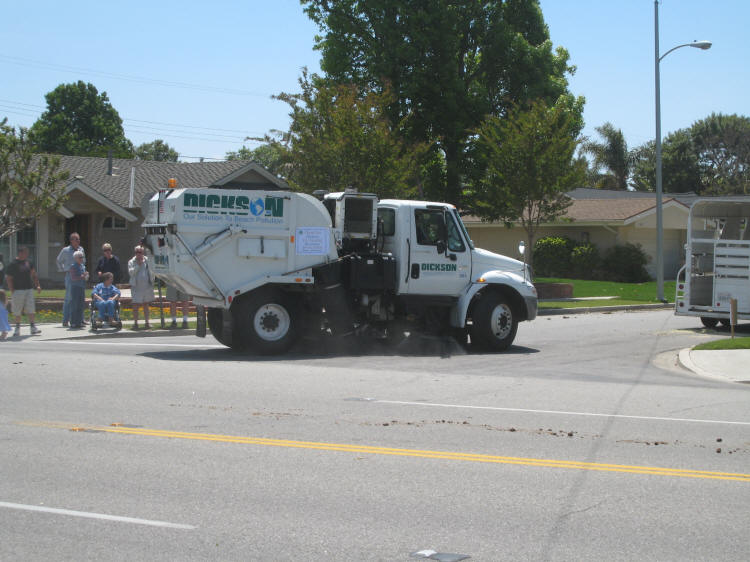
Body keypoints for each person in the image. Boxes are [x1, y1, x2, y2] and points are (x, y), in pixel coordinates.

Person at [5, 246, 42, 337]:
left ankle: (33, 328)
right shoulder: (13, 264)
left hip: (28, 289)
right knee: (17, 310)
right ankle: (17, 329)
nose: (27, 254)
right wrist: (12, 290)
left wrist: (37, 285)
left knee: (31, 308)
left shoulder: (29, 262)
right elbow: (9, 278)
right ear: (20, 253)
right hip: (18, 290)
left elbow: (34, 274)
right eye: (25, 252)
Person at [56, 232, 86, 327]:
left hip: (80, 276)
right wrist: (64, 269)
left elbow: (84, 261)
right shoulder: (66, 250)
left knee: (80, 298)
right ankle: (66, 320)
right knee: (69, 298)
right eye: (76, 239)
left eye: (79, 239)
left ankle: (80, 319)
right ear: (71, 240)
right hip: (70, 276)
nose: (78, 241)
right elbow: (58, 261)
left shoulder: (81, 249)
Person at [128, 245, 154, 329]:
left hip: (147, 287)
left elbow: (152, 270)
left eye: (140, 252)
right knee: (135, 305)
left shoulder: (147, 260)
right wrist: (138, 265)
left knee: (146, 305)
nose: (138, 254)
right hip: (136, 287)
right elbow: (131, 273)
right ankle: (135, 323)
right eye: (137, 252)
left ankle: (147, 323)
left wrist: (152, 280)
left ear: (143, 253)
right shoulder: (131, 262)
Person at [68, 250, 89, 328]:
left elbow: (84, 277)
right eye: (80, 257)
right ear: (75, 258)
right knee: (75, 305)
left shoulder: (82, 266)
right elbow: (73, 278)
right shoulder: (73, 266)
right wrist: (82, 276)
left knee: (81, 305)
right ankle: (73, 322)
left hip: (81, 287)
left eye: (82, 257)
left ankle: (79, 322)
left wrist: (86, 276)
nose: (81, 259)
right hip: (75, 287)